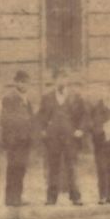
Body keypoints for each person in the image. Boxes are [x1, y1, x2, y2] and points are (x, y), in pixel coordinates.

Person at [38, 71, 87, 206]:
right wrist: (43, 130)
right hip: (53, 138)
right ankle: (51, 198)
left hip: (70, 138)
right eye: (59, 78)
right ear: (55, 80)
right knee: (53, 167)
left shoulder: (75, 97)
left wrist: (80, 130)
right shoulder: (47, 97)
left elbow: (84, 116)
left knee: (72, 166)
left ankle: (75, 196)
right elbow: (41, 116)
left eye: (64, 78)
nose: (62, 81)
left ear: (68, 80)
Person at [0, 70, 36, 207]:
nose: (25, 85)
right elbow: (7, 120)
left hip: (24, 139)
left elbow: (30, 117)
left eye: (27, 82)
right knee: (13, 168)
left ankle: (17, 196)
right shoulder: (10, 98)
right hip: (14, 140)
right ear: (16, 82)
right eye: (22, 82)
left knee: (21, 168)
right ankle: (11, 198)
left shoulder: (25, 98)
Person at [88, 85, 110, 204]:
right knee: (102, 169)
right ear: (103, 95)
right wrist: (104, 129)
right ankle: (102, 196)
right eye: (107, 94)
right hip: (100, 143)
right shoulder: (97, 108)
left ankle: (109, 196)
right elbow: (93, 125)